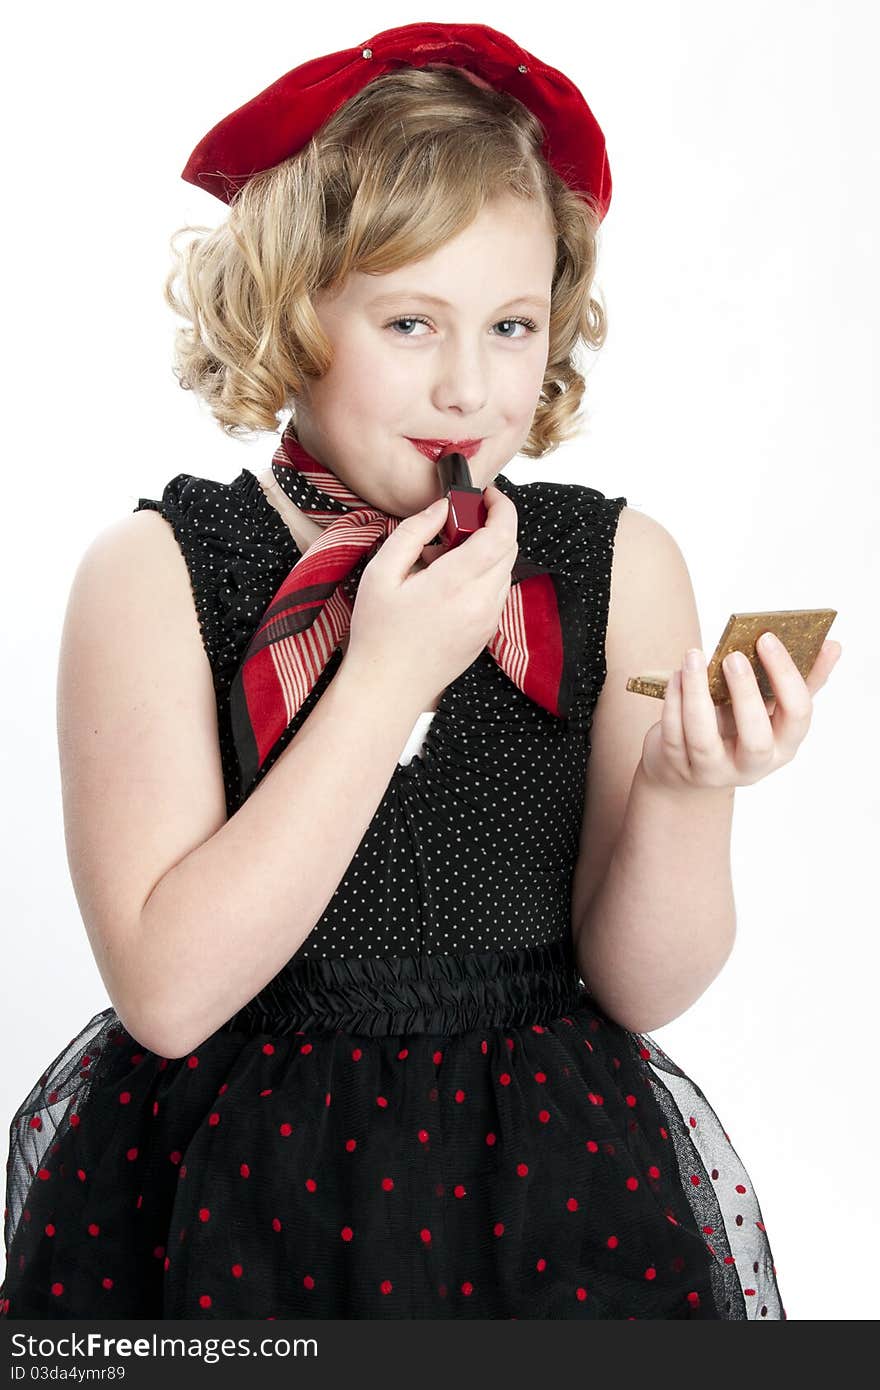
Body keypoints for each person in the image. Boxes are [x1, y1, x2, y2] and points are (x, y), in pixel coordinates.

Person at [0, 22, 841, 1321]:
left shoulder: (619, 566)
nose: (468, 384)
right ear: (293, 313)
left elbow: (643, 984)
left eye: (511, 324)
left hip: (551, 1190)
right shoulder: (158, 572)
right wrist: (386, 677)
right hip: (241, 1197)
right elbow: (167, 995)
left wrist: (683, 786)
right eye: (409, 320)